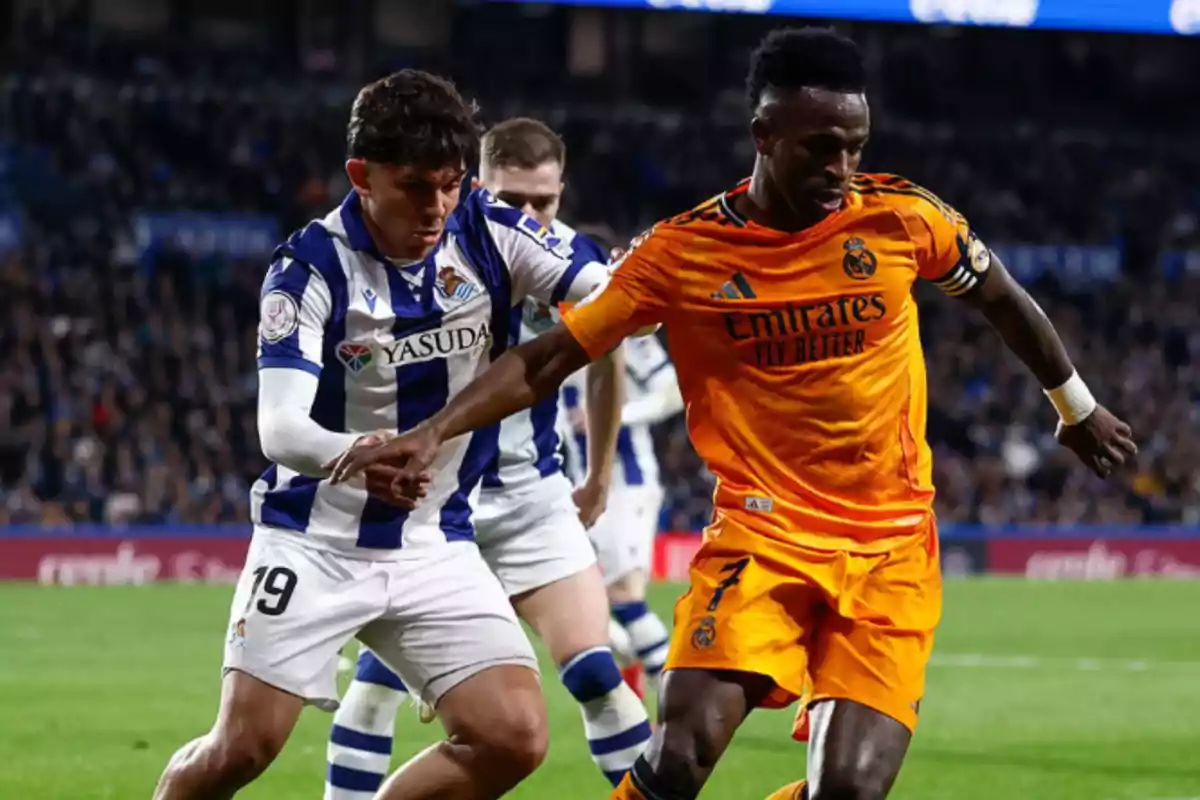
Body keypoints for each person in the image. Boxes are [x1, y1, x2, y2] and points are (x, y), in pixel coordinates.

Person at [327, 28, 1138, 800]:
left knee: (850, 788)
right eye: (821, 145)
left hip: (892, 548)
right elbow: (549, 358)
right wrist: (434, 430)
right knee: (676, 759)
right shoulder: (682, 254)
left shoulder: (902, 218)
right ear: (763, 132)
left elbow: (999, 294)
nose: (842, 166)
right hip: (763, 538)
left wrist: (1075, 404)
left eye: (854, 144)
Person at [151, 70, 616, 800]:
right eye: (414, 187)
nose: (436, 207)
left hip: (435, 542)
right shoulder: (306, 269)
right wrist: (355, 455)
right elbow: (280, 428)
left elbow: (605, 294)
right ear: (361, 176)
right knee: (240, 749)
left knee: (513, 737)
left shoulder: (490, 230)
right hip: (315, 541)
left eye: (450, 183)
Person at [325, 117, 651, 799]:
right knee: (373, 693)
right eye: (513, 199)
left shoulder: (572, 261)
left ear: (563, 191)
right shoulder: (423, 255)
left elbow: (608, 359)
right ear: (477, 184)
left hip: (532, 497)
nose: (528, 215)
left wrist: (593, 477)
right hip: (438, 509)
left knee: (596, 676)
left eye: (544, 202)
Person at [561, 331, 683, 696]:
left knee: (624, 594)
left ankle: (673, 696)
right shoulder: (540, 330)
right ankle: (631, 664)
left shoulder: (623, 335)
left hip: (626, 485)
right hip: (573, 487)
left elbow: (672, 393)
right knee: (572, 593)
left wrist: (617, 415)